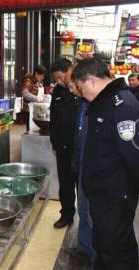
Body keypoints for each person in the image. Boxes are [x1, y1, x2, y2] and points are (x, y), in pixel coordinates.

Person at [73, 57, 139, 270]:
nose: (82, 94)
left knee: (119, 251)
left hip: (116, 198)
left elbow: (134, 158)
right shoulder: (103, 102)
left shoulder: (123, 106)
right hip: (102, 197)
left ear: (92, 80)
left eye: (82, 88)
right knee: (104, 247)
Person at [68, 78, 95, 265]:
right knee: (83, 210)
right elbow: (78, 137)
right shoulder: (81, 104)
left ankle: (95, 254)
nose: (72, 89)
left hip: (94, 169)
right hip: (81, 165)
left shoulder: (97, 105)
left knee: (93, 214)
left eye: (73, 85)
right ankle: (84, 247)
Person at [50, 58, 79, 229]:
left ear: (70, 70)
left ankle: (86, 219)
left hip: (79, 148)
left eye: (61, 77)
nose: (60, 82)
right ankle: (66, 215)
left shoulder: (80, 88)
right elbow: (54, 118)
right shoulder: (58, 91)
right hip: (62, 148)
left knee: (81, 186)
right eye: (57, 79)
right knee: (65, 184)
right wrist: (54, 142)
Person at [22, 65, 46, 132]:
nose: (43, 78)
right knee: (30, 128)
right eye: (41, 75)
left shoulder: (38, 82)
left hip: (35, 109)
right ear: (36, 74)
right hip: (29, 109)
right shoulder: (28, 81)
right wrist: (36, 98)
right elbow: (25, 93)